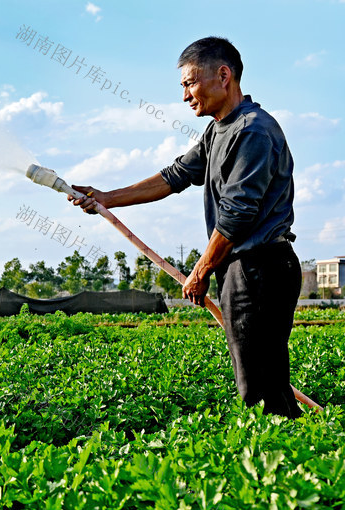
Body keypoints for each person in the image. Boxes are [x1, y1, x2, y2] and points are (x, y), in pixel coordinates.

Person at [67, 36, 302, 418]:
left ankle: (281, 464)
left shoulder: (253, 131)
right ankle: (296, 456)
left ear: (223, 75)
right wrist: (107, 198)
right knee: (263, 382)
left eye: (190, 83)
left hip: (260, 269)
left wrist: (200, 269)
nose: (185, 95)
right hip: (246, 269)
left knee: (259, 388)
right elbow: (174, 176)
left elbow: (237, 214)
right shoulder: (217, 131)